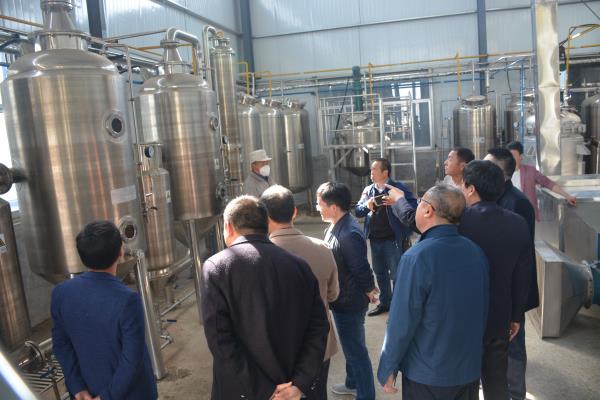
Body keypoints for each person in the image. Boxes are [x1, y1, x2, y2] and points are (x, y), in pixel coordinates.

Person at [200, 195, 329, 400]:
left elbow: (220, 340)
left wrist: (264, 390)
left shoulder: (217, 268)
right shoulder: (299, 266)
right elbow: (319, 328)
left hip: (242, 391)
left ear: (228, 227)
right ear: (266, 225)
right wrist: (300, 383)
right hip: (292, 390)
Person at [377, 184, 488, 400]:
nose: (417, 206)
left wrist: (388, 366)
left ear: (428, 210)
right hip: (468, 370)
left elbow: (402, 321)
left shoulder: (417, 257)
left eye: (420, 203)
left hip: (428, 374)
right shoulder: (475, 252)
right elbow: (482, 310)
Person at [51, 221, 157, 400]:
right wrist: (106, 396)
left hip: (87, 390)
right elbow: (132, 359)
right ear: (120, 252)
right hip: (130, 394)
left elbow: (61, 345)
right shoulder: (128, 300)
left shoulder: (61, 293)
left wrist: (77, 388)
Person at [459, 161, 533, 400]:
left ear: (471, 189)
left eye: (463, 185)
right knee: (496, 381)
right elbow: (522, 275)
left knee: (464, 381)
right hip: (500, 316)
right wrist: (516, 315)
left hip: (463, 318)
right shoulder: (518, 223)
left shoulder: (459, 222)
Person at [260, 185, 340, 400]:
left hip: (277, 351)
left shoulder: (258, 259)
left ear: (264, 215)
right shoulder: (322, 248)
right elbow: (333, 295)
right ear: (294, 212)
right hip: (319, 346)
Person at [484, 148, 539, 400]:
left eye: (487, 165)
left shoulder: (516, 203)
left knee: (513, 345)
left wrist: (515, 307)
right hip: (496, 288)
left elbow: (519, 259)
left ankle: (516, 394)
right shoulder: (493, 197)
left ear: (499, 172)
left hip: (511, 290)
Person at [316, 182, 378, 400]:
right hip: (343, 297)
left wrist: (370, 289)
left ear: (334, 207)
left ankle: (366, 394)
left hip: (349, 301)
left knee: (355, 351)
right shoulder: (337, 225)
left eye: (320, 204)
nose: (318, 208)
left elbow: (360, 267)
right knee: (352, 345)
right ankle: (352, 383)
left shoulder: (348, 233)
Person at [355, 158, 417, 316]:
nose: (371, 172)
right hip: (375, 240)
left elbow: (413, 208)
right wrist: (367, 205)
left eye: (374, 169)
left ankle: (398, 307)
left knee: (397, 275)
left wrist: (397, 202)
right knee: (380, 273)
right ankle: (385, 303)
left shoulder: (398, 188)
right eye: (371, 169)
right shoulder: (368, 190)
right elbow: (358, 211)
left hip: (393, 240)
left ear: (385, 172)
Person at [507, 141, 576, 220]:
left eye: (513, 155)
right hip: (509, 215)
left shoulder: (530, 171)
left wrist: (567, 196)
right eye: (508, 155)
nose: (510, 158)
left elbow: (548, 183)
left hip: (527, 215)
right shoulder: (503, 173)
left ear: (521, 156)